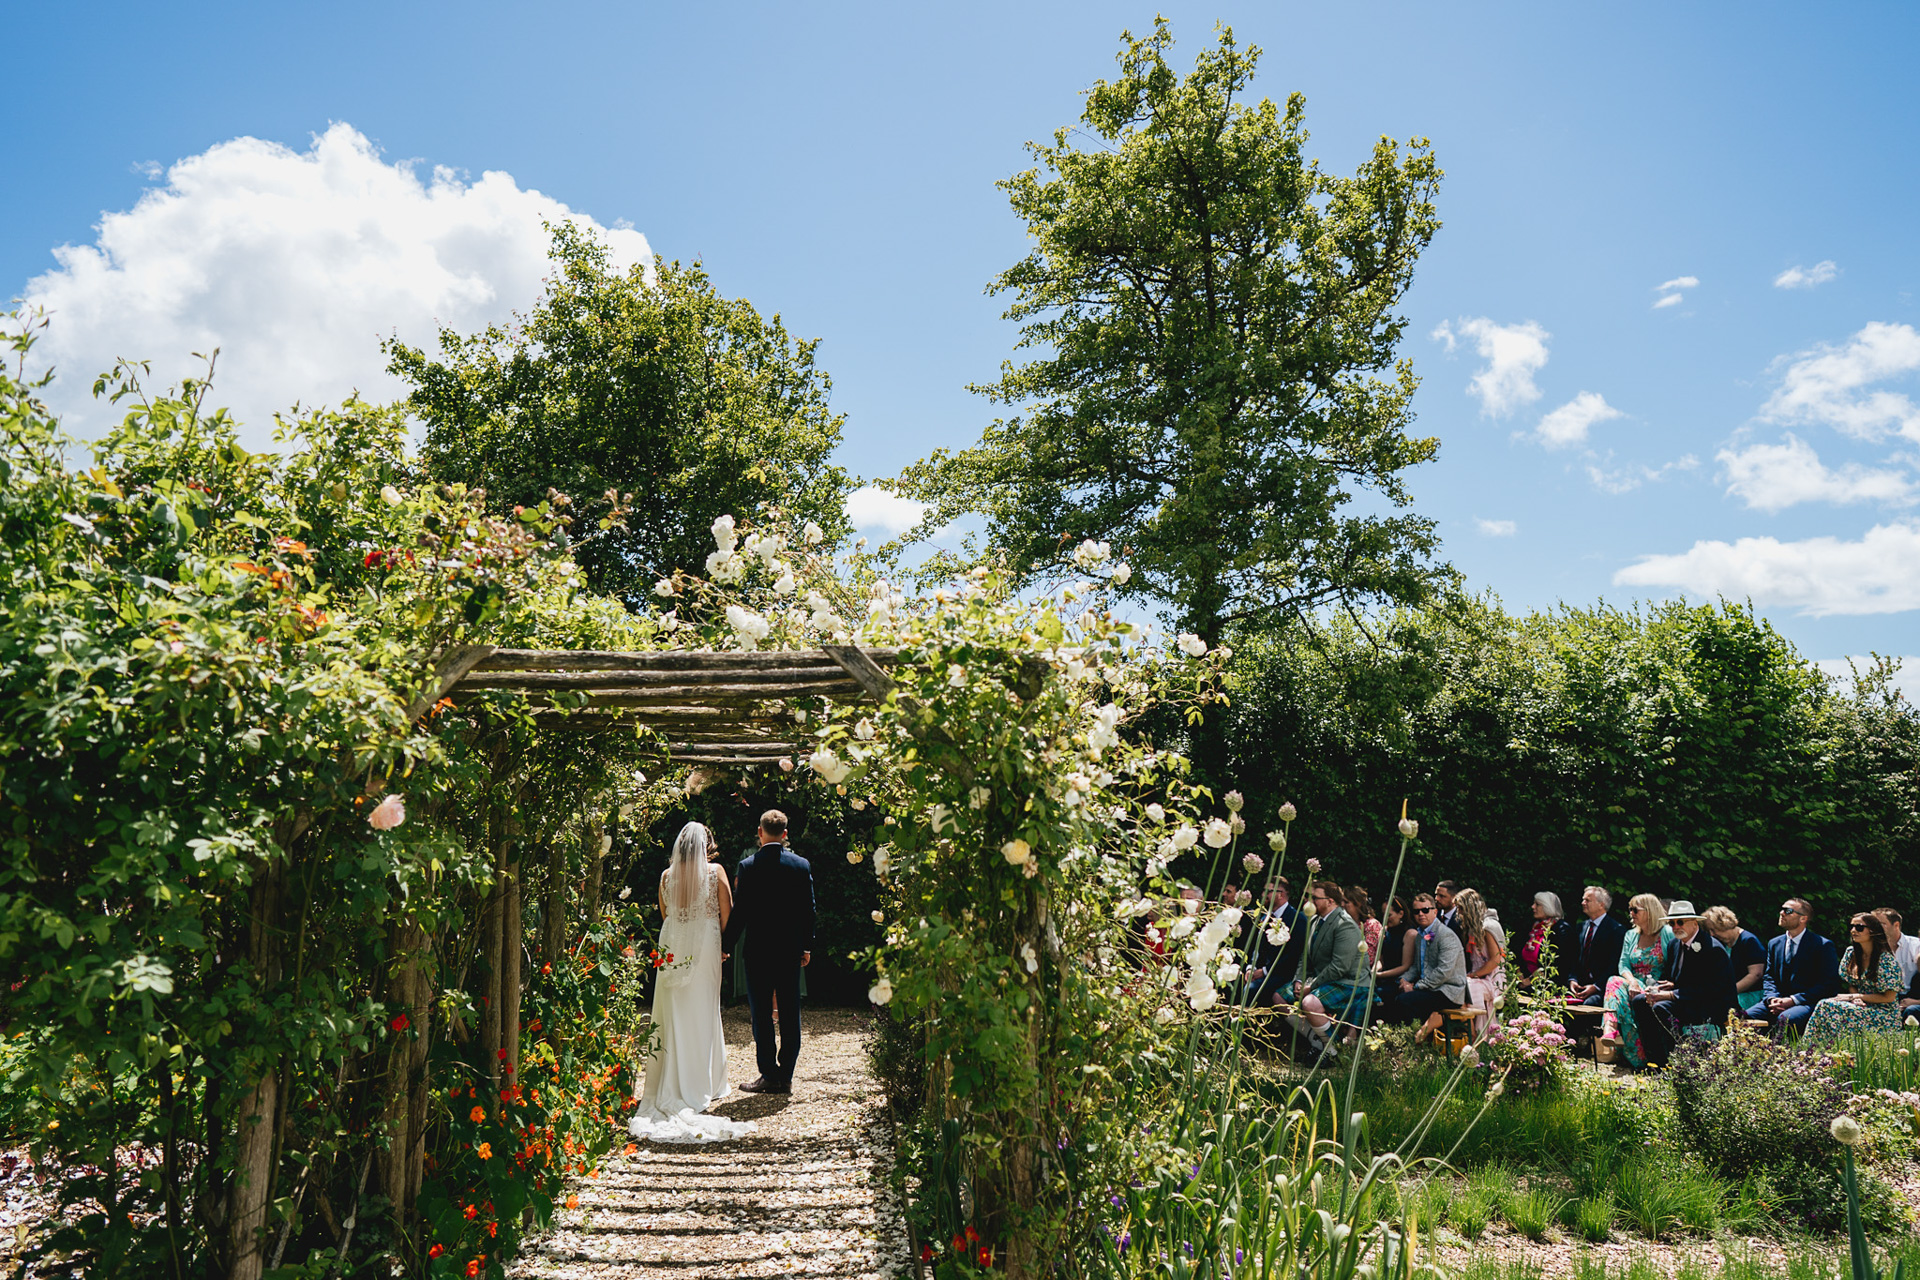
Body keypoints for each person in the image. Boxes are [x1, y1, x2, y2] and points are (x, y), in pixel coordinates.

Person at [628, 823, 757, 1143]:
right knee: (704, 1011)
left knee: (674, 1013)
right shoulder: (715, 872)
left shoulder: (666, 876)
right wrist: (722, 946)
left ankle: (675, 1080)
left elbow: (665, 913)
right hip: (705, 945)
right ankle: (705, 1083)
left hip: (673, 945)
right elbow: (727, 912)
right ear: (707, 846)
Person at [720, 810, 816, 1094]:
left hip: (758, 952)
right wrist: (806, 945)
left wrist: (726, 946)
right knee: (789, 1012)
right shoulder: (801, 865)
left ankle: (768, 1075)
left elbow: (741, 912)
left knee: (761, 1014)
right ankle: (785, 1075)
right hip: (789, 951)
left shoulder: (749, 866)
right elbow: (808, 910)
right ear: (785, 834)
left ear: (760, 832)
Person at [1625, 901, 1735, 1068]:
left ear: (1694, 923)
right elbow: (1673, 977)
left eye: (1680, 922)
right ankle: (1655, 1061)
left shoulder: (1713, 949)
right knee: (1641, 1001)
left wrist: (1671, 994)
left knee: (1661, 1008)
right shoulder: (1674, 944)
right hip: (1686, 999)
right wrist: (1663, 987)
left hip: (1709, 1004)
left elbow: (1712, 989)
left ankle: (1676, 1061)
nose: (1675, 926)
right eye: (1672, 923)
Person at [1285, 880, 1365, 1055]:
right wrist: (1298, 980)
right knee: (1279, 999)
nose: (1309, 901)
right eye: (1308, 897)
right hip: (1323, 979)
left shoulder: (1345, 924)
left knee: (1309, 1002)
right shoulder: (1314, 920)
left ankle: (1334, 1050)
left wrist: (1311, 987)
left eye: (1314, 898)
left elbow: (1339, 967)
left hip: (1350, 982)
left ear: (1331, 901)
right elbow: (1304, 957)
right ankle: (1319, 1042)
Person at [1803, 913, 1903, 1045]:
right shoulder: (1851, 954)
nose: (1853, 931)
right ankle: (1815, 1050)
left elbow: (1889, 997)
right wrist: (1855, 997)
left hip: (1884, 1013)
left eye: (1859, 927)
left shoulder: (1886, 960)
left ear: (1872, 931)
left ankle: (1820, 1048)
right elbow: (1851, 984)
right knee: (1825, 1005)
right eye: (1852, 927)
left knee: (1827, 1006)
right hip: (1861, 1005)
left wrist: (1855, 996)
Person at [1379, 894, 1468, 1040]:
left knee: (1405, 1000)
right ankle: (1393, 1040)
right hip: (1431, 988)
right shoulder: (1421, 935)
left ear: (1435, 911)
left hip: (1448, 990)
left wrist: (1416, 986)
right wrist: (1404, 980)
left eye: (1425, 910)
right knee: (1388, 994)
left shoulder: (1446, 935)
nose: (1421, 914)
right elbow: (1416, 966)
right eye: (1416, 911)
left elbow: (1443, 972)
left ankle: (1416, 1041)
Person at [1601, 894, 1674, 1068]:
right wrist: (1632, 982)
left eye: (1635, 910)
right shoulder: (1631, 935)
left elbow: (1674, 964)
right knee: (1615, 982)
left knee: (1615, 985)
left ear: (1650, 911)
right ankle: (1611, 1029)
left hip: (1657, 985)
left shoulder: (1667, 933)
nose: (1631, 914)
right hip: (1633, 983)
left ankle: (1612, 1030)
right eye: (1630, 910)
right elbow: (1624, 965)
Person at [1759, 897, 1841, 1038]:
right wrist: (1772, 998)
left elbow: (1828, 984)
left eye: (1788, 911)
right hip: (1777, 1000)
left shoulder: (1822, 945)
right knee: (1745, 1017)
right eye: (1782, 909)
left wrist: (1793, 1000)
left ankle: (1783, 1055)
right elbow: (1769, 976)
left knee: (1787, 1019)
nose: (1782, 913)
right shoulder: (1774, 943)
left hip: (1808, 1002)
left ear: (1803, 919)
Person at [1568, 887, 1627, 1007]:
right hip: (1579, 986)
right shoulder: (1581, 927)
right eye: (1583, 899)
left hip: (1602, 987)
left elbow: (1614, 964)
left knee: (1590, 1004)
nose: (1583, 903)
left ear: (1601, 905)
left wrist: (1596, 987)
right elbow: (1573, 957)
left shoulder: (1616, 930)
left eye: (1587, 900)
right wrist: (1572, 979)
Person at [1700, 906, 1767, 1013]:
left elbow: (1756, 974)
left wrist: (1729, 992)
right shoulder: (1723, 944)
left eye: (1714, 929)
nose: (1712, 934)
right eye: (1709, 930)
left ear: (1724, 924)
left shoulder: (1749, 941)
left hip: (1749, 995)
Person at [1244, 879, 1299, 1005]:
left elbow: (1292, 956)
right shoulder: (1264, 916)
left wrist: (1264, 971)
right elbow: (1254, 947)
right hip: (1257, 971)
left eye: (1268, 891)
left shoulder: (1295, 918)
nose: (1263, 895)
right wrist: (1250, 968)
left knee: (1251, 989)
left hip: (1280, 974)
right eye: (1264, 890)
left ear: (1281, 894)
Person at [1518, 892, 1576, 990]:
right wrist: (1519, 976)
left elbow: (1558, 964)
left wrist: (1529, 981)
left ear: (1547, 906)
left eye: (1537, 904)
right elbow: (1517, 953)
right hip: (1524, 983)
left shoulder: (1561, 929)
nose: (1532, 907)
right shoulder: (1532, 927)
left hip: (1549, 986)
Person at [1874, 908, 1919, 991]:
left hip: (1910, 996)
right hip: (1880, 996)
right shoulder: (1871, 947)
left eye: (1881, 924)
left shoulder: (1916, 945)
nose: (1875, 928)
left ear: (1896, 925)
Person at [1376, 896, 1417, 985]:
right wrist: (1375, 970)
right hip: (1382, 976)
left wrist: (1381, 975)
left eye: (1389, 915)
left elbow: (1406, 966)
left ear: (1401, 914)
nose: (1385, 918)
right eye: (1383, 914)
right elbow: (1380, 960)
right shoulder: (1383, 931)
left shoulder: (1410, 934)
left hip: (1400, 980)